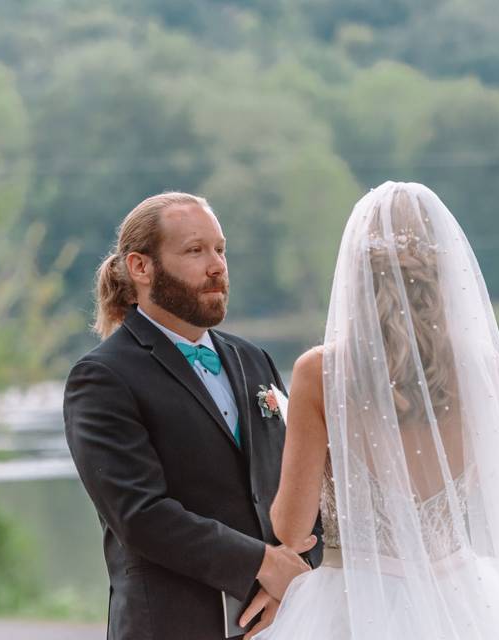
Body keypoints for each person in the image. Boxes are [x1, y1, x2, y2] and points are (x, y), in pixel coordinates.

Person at [244, 182, 499, 639]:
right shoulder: (480, 366)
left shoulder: (322, 372)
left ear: (356, 272)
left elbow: (290, 527)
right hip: (465, 601)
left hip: (352, 603)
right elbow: (483, 485)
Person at [63, 191, 321, 640]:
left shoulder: (252, 359)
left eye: (220, 249)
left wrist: (291, 583)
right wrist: (263, 565)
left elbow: (302, 478)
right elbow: (141, 515)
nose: (217, 266)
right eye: (195, 251)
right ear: (141, 267)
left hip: (281, 624)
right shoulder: (102, 377)